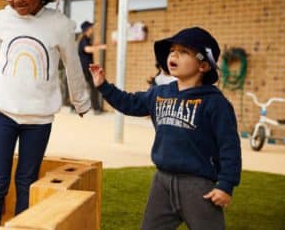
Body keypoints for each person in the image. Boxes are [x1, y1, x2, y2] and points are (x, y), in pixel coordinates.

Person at [89, 27, 241, 230]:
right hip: (162, 182)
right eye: (172, 50)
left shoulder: (215, 103)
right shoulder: (160, 93)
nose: (174, 54)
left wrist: (226, 185)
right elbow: (131, 103)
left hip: (199, 185)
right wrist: (103, 86)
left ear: (203, 65)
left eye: (184, 52)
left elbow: (229, 146)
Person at [0, 0, 91, 225]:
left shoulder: (60, 24)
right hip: (2, 113)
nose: (16, 0)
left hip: (39, 118)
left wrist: (81, 101)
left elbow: (73, 67)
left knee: (27, 181)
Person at [78, 21, 107, 114]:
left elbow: (89, 47)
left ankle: (75, 107)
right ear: (87, 30)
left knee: (83, 87)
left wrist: (97, 45)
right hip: (85, 68)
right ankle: (96, 109)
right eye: (91, 28)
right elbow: (87, 49)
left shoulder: (86, 39)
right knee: (92, 87)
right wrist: (100, 47)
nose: (92, 29)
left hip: (85, 67)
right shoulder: (84, 40)